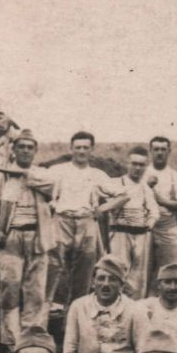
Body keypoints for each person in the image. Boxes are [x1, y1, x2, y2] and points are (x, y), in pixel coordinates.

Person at [0, 128, 55, 349]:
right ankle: (12, 343)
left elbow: (55, 190)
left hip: (39, 238)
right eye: (20, 146)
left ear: (36, 151)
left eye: (30, 147)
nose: (25, 151)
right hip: (12, 237)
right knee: (10, 290)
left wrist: (27, 176)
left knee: (36, 291)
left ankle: (32, 341)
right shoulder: (1, 176)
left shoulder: (43, 175)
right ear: (13, 149)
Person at [45, 131, 112, 307]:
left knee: (86, 265)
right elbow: (40, 186)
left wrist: (103, 208)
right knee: (53, 264)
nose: (81, 151)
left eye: (85, 148)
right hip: (62, 220)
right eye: (78, 147)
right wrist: (50, 204)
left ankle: (76, 309)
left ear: (92, 150)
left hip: (86, 221)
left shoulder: (98, 174)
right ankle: (46, 306)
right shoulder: (57, 171)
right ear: (71, 149)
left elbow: (123, 195)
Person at [101, 146, 161, 300]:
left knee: (139, 278)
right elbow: (105, 201)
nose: (137, 168)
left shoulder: (145, 188)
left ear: (146, 167)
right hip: (120, 233)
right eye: (134, 163)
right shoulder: (115, 183)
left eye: (141, 165)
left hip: (141, 235)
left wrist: (150, 222)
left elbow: (154, 211)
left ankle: (136, 311)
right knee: (118, 271)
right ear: (127, 163)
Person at [145, 135, 177, 284]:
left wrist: (162, 201)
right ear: (150, 151)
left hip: (166, 224)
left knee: (172, 270)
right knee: (139, 273)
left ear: (169, 151)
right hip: (142, 225)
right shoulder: (141, 173)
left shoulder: (175, 176)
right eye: (156, 149)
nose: (159, 153)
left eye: (163, 149)